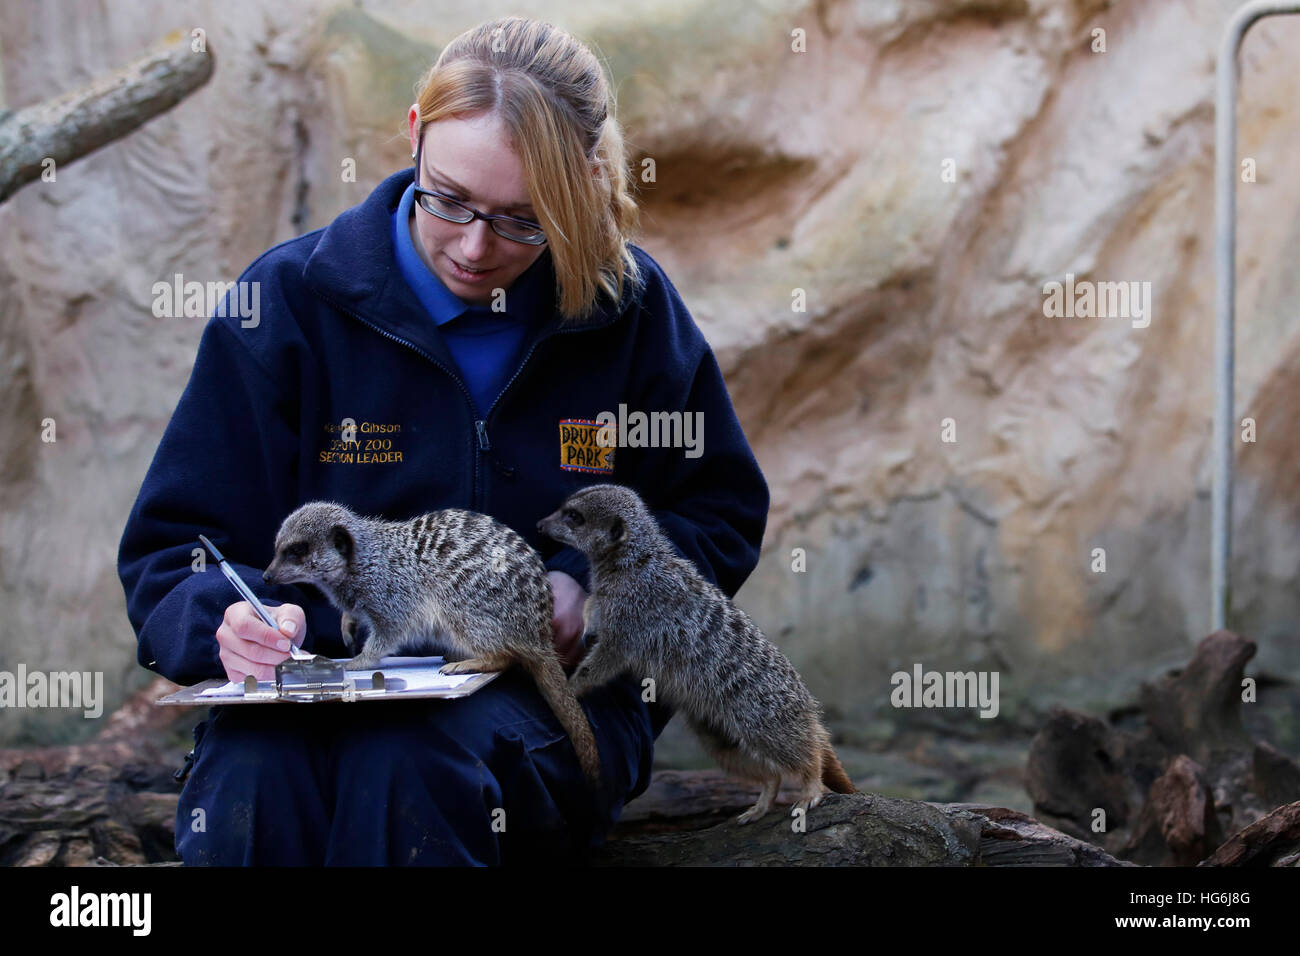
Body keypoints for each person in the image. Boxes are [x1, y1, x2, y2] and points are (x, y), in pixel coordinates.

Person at [117, 15, 769, 865]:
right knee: (254, 774)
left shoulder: (630, 315)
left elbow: (715, 510)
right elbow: (176, 549)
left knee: (410, 764)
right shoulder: (289, 302)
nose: (473, 247)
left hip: (544, 694)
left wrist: (591, 587)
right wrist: (229, 622)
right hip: (322, 684)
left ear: (582, 184)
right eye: (450, 201)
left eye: (522, 221)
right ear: (415, 136)